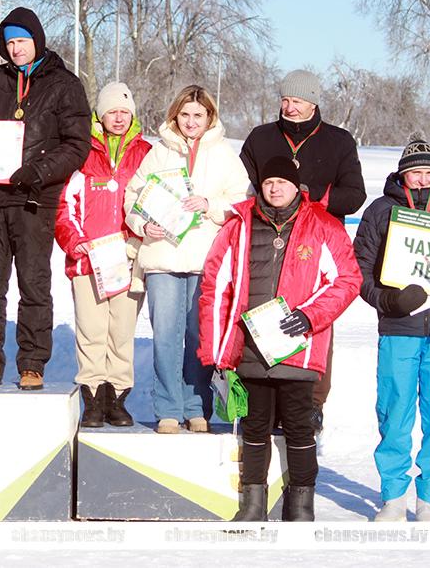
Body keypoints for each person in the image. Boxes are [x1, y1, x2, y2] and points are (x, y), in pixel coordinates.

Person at [198, 156, 361, 521]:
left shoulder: (323, 225)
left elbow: (347, 279)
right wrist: (218, 349)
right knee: (254, 427)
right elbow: (216, 286)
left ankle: (301, 506)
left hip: (297, 346)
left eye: (282, 183)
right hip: (252, 347)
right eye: (268, 182)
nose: (274, 189)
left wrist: (309, 315)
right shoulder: (238, 225)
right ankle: (253, 504)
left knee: (300, 427)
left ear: (296, 187)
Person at [0, 6, 91, 391]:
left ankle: (32, 363)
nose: (16, 48)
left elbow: (77, 145)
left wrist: (39, 171)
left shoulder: (65, 84)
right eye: (10, 42)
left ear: (37, 40)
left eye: (22, 40)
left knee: (33, 283)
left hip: (35, 198)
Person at [354, 136, 430, 522]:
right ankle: (393, 496)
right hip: (398, 328)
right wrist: (388, 301)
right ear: (402, 174)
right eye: (416, 172)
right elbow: (359, 270)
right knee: (395, 411)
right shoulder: (381, 210)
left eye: (429, 172)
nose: (423, 179)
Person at [239, 69, 366, 431]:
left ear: (313, 102)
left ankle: (312, 402)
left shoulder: (338, 141)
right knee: (263, 316)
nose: (289, 107)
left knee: (313, 318)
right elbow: (241, 186)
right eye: (285, 100)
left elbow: (355, 196)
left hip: (316, 243)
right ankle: (263, 398)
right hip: (267, 239)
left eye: (296, 101)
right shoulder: (261, 137)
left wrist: (314, 197)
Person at [125, 85, 250, 434]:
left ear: (210, 117)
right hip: (162, 257)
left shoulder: (224, 154)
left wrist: (210, 205)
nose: (191, 122)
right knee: (165, 336)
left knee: (198, 337)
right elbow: (133, 197)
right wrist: (142, 224)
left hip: (205, 260)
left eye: (198, 115)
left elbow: (242, 201)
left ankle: (196, 407)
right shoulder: (159, 152)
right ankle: (167, 408)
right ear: (175, 116)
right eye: (184, 115)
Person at [55, 82, 151, 427]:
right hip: (88, 259)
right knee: (92, 330)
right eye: (112, 112)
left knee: (121, 332)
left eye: (125, 112)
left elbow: (157, 199)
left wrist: (141, 238)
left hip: (128, 258)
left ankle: (118, 398)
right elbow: (64, 204)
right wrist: (75, 241)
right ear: (100, 115)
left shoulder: (146, 153)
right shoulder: (82, 151)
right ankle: (93, 397)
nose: (119, 118)